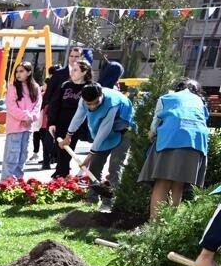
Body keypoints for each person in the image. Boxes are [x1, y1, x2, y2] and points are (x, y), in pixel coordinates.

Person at [139, 78, 209, 217]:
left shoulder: (167, 98)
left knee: (162, 183)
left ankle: (154, 226)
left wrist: (152, 133)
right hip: (196, 142)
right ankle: (168, 226)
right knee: (178, 185)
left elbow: (155, 125)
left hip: (171, 139)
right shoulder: (200, 102)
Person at [59, 82, 133, 209]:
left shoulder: (112, 103)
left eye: (96, 103)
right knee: (95, 167)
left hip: (123, 130)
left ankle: (109, 202)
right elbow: (78, 116)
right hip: (103, 132)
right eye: (89, 104)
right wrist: (68, 136)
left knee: (115, 167)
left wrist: (89, 156)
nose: (92, 107)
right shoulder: (84, 99)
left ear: (101, 95)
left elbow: (104, 130)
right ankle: (92, 198)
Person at [48, 57, 94, 180]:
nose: (72, 72)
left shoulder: (89, 88)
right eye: (72, 69)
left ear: (84, 72)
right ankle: (62, 173)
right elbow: (55, 104)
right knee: (60, 149)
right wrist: (51, 122)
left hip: (78, 124)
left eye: (75, 70)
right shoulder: (65, 85)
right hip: (61, 121)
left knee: (68, 150)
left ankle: (61, 174)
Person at [40, 47, 83, 170]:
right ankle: (47, 160)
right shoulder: (59, 74)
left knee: (69, 141)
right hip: (56, 113)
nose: (74, 59)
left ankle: (63, 165)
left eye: (77, 56)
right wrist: (46, 109)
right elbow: (49, 93)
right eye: (72, 56)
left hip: (74, 115)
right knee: (49, 138)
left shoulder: (83, 76)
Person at [1, 63, 42, 181]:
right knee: (12, 156)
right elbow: (11, 107)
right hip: (15, 128)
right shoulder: (13, 87)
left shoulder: (35, 88)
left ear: (29, 72)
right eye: (17, 71)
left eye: (21, 71)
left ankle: (18, 182)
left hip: (28, 128)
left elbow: (37, 107)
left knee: (23, 156)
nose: (18, 74)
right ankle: (6, 183)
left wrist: (30, 119)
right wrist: (26, 117)